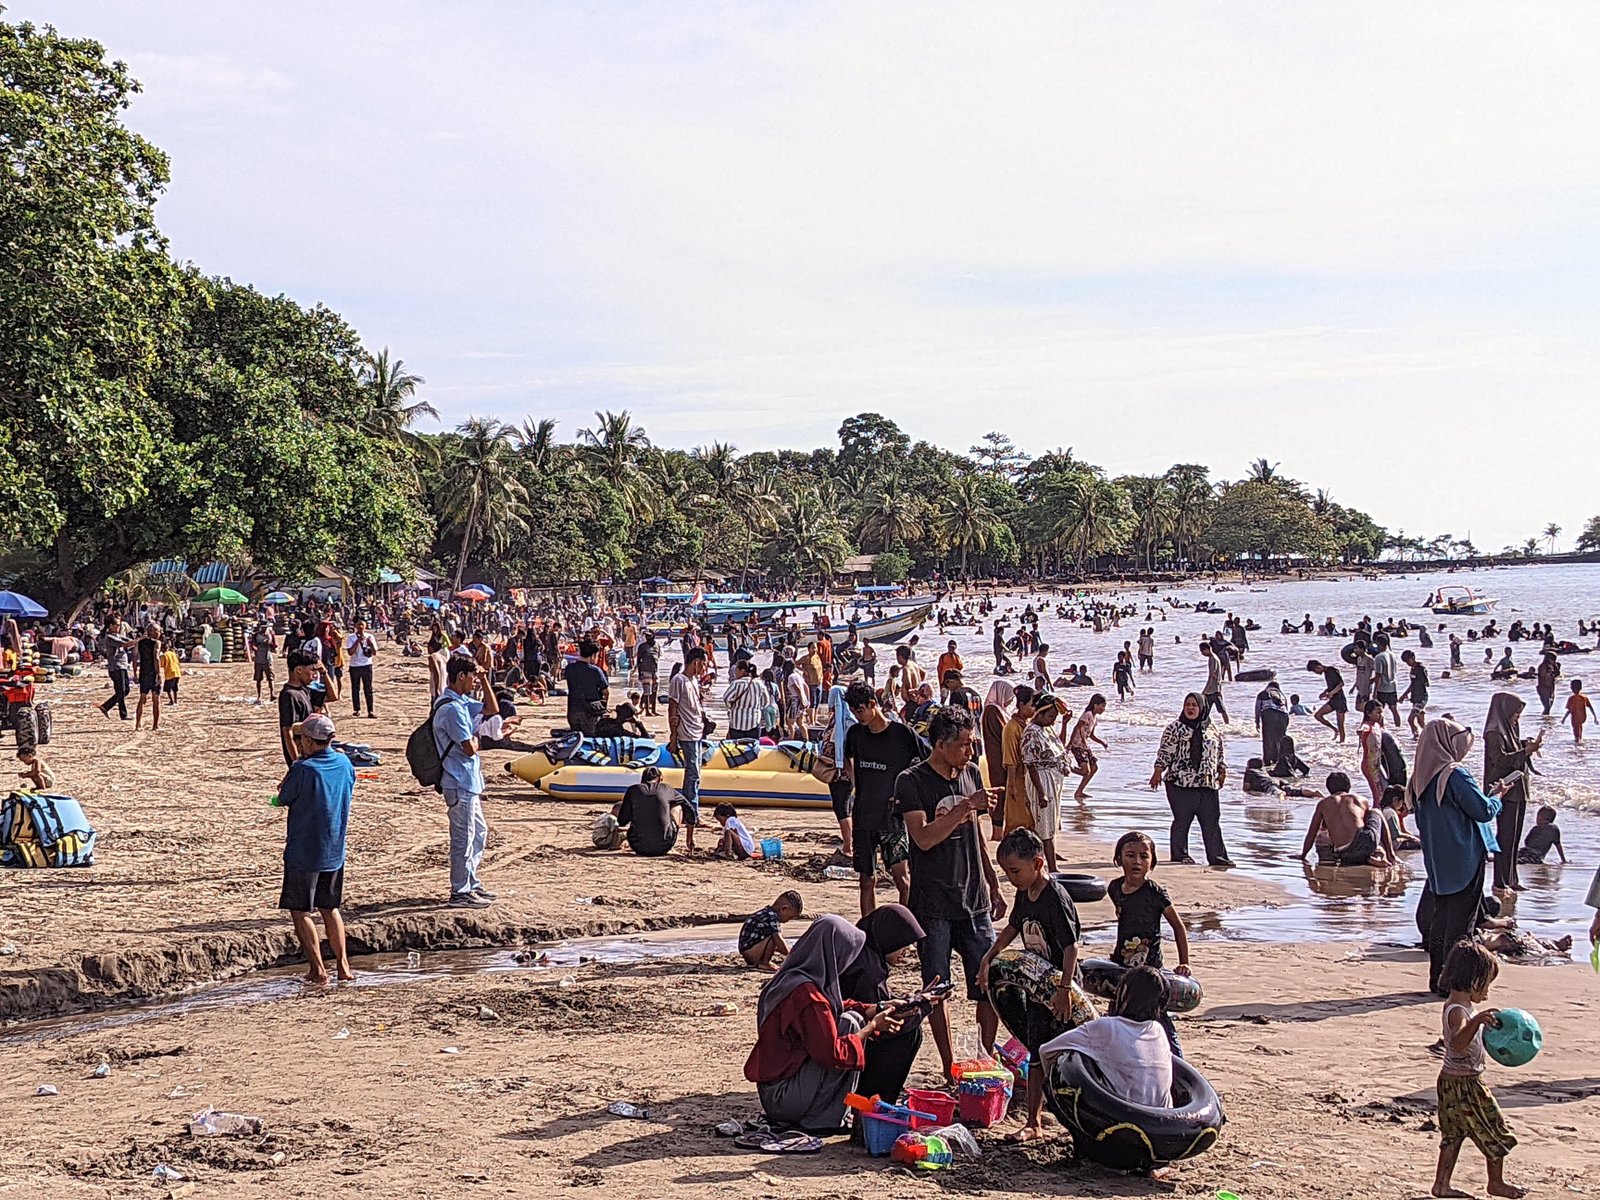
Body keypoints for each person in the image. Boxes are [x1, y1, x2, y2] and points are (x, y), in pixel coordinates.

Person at [893, 704, 1007, 1080]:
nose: (970, 752)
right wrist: (965, 807)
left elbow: (975, 835)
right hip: (933, 903)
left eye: (972, 744)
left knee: (988, 983)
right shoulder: (911, 781)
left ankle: (984, 1057)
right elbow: (923, 839)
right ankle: (948, 1067)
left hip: (973, 899)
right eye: (963, 745)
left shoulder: (972, 773)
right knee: (936, 988)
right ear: (940, 745)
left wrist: (992, 882)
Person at [742, 915, 902, 1134]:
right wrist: (872, 1027)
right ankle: (823, 1120)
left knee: (851, 1018)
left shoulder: (793, 978)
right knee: (849, 1025)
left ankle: (825, 1114)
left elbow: (833, 1008)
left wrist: (874, 1008)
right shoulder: (807, 995)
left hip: (776, 1089)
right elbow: (833, 1053)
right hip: (783, 1099)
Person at [976, 828, 1083, 1142]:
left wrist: (1064, 991)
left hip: (1062, 987)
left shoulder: (1055, 898)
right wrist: (989, 957)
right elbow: (1013, 926)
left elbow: (1071, 948)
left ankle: (1071, 1117)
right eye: (1006, 872)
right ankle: (1033, 1121)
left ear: (1038, 864)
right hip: (1036, 985)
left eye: (1015, 871)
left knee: (1063, 1052)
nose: (1011, 878)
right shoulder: (1025, 891)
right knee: (1035, 1050)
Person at [1410, 718, 1504, 995]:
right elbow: (1482, 810)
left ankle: (1438, 978)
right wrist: (1497, 797)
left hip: (1438, 858)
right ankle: (1455, 983)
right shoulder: (1454, 774)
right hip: (1464, 855)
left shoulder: (1420, 778)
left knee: (1441, 919)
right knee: (1462, 922)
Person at [1432, 940, 1525, 1200]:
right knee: (1494, 1130)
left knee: (1454, 1135)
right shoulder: (1457, 1011)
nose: (1487, 991)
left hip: (1454, 1082)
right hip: (1465, 1086)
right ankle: (1495, 1182)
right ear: (1473, 980)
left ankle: (1442, 1185)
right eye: (1486, 984)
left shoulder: (1463, 1009)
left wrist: (1483, 1024)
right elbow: (1459, 1043)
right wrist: (1476, 1021)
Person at [275, 713, 355, 984]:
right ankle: (343, 968)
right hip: (334, 848)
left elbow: (283, 797)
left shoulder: (304, 769)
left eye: (301, 739)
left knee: (300, 910)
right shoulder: (344, 763)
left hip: (304, 851)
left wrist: (295, 766)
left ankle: (318, 970)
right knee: (330, 908)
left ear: (309, 740)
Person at [839, 904, 935, 1108]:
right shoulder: (868, 970)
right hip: (848, 1045)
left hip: (847, 1039)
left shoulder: (865, 953)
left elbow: (880, 1003)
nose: (906, 952)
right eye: (903, 944)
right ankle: (871, 1099)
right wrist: (924, 1006)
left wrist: (916, 1000)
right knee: (910, 1034)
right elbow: (886, 1024)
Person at [1042, 966, 1174, 1109]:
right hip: (1163, 1119)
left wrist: (1053, 1093)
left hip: (1123, 1119)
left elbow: (1046, 1050)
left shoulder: (1107, 1027)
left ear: (1123, 992)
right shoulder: (1158, 1030)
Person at [1106, 831, 1190, 1053]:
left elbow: (1179, 928)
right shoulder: (1114, 888)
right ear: (1119, 859)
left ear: (1152, 862)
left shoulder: (1155, 893)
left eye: (1144, 856)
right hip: (1123, 964)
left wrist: (1184, 963)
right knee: (1117, 1012)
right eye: (1130, 855)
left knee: (1158, 1016)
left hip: (1151, 969)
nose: (1137, 861)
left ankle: (1177, 1060)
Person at [841, 682, 920, 916]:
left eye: (861, 710)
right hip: (864, 816)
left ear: (873, 705)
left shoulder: (901, 734)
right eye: (854, 712)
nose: (858, 716)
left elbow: (925, 760)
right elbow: (846, 759)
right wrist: (856, 783)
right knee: (866, 879)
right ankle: (868, 928)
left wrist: (907, 793)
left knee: (902, 879)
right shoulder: (855, 733)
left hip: (893, 819)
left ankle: (905, 930)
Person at [1148, 693, 1233, 867]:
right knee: (1182, 819)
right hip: (1180, 783)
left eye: (1194, 705)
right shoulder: (1175, 728)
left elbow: (1219, 753)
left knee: (1212, 821)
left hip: (1207, 783)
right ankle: (1180, 855)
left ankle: (1218, 857)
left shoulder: (1212, 729)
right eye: (1187, 705)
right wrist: (1158, 771)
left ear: (1201, 707)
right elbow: (1165, 752)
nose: (1191, 708)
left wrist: (1222, 770)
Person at [434, 656, 493, 907]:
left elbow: (492, 709)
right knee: (463, 838)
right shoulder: (452, 708)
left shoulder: (460, 702)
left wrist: (482, 678)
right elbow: (469, 747)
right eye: (470, 677)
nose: (473, 683)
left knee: (478, 833)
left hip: (468, 781)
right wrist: (479, 739)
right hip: (458, 781)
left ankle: (471, 882)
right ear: (460, 677)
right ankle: (460, 890)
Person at [1482, 693, 1540, 894]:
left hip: (1518, 789)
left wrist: (1526, 745)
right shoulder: (1494, 732)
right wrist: (1525, 752)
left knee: (1514, 837)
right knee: (1505, 837)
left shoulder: (1510, 728)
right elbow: (1499, 760)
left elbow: (1513, 750)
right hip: (1504, 790)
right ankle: (1500, 881)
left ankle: (1511, 878)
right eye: (1516, 713)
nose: (1517, 717)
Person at [1298, 771, 1393, 867]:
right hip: (1365, 842)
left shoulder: (1323, 804)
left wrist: (1303, 855)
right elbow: (1365, 826)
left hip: (1344, 853)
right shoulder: (1361, 800)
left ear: (1329, 789)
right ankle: (1390, 856)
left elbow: (1312, 834)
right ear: (1349, 786)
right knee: (1376, 812)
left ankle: (1367, 858)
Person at [1020, 693, 1069, 870]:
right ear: (1039, 714)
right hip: (1041, 780)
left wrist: (1064, 723)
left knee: (1051, 823)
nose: (1052, 720)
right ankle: (1053, 867)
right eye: (1050, 717)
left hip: (1052, 779)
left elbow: (1060, 747)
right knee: (1045, 824)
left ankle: (1047, 860)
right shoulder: (1031, 732)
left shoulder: (1046, 729)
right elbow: (1030, 765)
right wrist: (1041, 793)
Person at [667, 647, 707, 853]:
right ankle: (691, 814)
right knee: (692, 775)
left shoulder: (694, 681)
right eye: (703, 663)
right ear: (695, 662)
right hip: (687, 734)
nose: (704, 667)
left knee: (696, 775)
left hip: (697, 732)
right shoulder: (679, 681)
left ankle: (693, 813)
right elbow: (672, 708)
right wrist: (673, 736)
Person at [613, 766, 682, 857]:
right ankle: (669, 840)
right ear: (660, 779)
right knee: (677, 807)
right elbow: (689, 808)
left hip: (638, 845)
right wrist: (690, 836)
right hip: (665, 845)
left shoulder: (633, 790)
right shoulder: (666, 789)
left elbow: (622, 820)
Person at [999, 683, 1036, 840]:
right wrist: (1012, 785)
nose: (1034, 709)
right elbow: (1010, 759)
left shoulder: (1028, 725)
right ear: (1021, 705)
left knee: (1031, 816)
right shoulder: (1011, 728)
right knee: (1017, 817)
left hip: (1029, 778)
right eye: (1031, 705)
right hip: (1018, 778)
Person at [278, 650, 324, 767]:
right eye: (312, 670)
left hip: (310, 755)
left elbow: (333, 696)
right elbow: (288, 732)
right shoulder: (290, 695)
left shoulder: (304, 689)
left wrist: (324, 673)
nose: (314, 675)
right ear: (299, 670)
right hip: (302, 757)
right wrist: (295, 764)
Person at [979, 679, 1015, 829]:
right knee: (1000, 791)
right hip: (998, 758)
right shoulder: (992, 711)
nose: (1010, 700)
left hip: (1001, 756)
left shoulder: (998, 710)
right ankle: (997, 829)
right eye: (1009, 696)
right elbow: (1004, 733)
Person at [739, 889, 803, 970]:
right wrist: (792, 955)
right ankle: (765, 962)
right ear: (784, 909)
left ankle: (763, 961)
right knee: (774, 936)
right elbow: (778, 940)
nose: (788, 921)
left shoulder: (767, 913)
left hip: (748, 951)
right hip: (751, 952)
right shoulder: (772, 917)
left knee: (774, 936)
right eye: (790, 917)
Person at [564, 639, 610, 737]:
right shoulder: (595, 671)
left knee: (576, 739)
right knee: (591, 739)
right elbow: (606, 692)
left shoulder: (569, 669)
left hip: (573, 710)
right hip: (590, 712)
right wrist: (604, 707)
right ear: (593, 656)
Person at [1067, 694, 1108, 802]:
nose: (1103, 709)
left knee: (1094, 768)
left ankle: (1079, 791)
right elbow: (1077, 727)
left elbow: (1091, 735)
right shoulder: (1087, 714)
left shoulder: (1094, 718)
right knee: (1085, 771)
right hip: (1077, 745)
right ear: (1095, 705)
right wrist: (1070, 743)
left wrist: (1101, 742)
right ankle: (1067, 767)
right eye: (1102, 706)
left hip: (1085, 746)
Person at [723, 660, 768, 741]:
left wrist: (731, 707)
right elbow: (766, 702)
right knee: (752, 749)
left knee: (736, 750)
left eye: (736, 670)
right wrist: (757, 707)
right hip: (754, 723)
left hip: (736, 724)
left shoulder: (736, 684)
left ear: (742, 671)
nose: (735, 673)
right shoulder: (758, 684)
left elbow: (726, 698)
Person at [131, 623, 162, 732]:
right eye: (158, 631)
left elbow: (134, 657)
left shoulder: (140, 643)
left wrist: (135, 673)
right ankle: (155, 725)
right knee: (156, 699)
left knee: (142, 698)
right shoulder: (157, 643)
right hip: (153, 673)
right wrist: (158, 674)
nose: (160, 633)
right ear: (152, 632)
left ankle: (138, 724)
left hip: (143, 673)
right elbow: (156, 657)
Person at [1254, 678, 1290, 767]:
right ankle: (1278, 760)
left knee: (1268, 739)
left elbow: (1258, 708)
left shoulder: (1263, 693)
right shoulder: (1282, 695)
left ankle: (1267, 761)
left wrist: (1257, 721)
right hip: (1283, 716)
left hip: (1269, 714)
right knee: (1280, 739)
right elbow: (1287, 709)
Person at [345, 619, 377, 719]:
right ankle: (357, 709)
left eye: (362, 625)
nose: (361, 627)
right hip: (355, 665)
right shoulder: (351, 637)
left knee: (368, 688)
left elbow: (374, 652)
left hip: (367, 664)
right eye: (359, 625)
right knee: (355, 688)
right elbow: (350, 652)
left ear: (365, 626)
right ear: (355, 626)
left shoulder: (370, 636)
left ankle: (370, 710)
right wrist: (358, 641)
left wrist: (370, 643)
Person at [1400, 649, 1430, 737]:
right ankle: (1426, 736)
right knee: (1421, 721)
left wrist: (1423, 678)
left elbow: (1426, 683)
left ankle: (1416, 735)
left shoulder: (1420, 668)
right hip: (1415, 697)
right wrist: (1404, 695)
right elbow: (1412, 684)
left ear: (1413, 658)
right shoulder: (1412, 669)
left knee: (1410, 719)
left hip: (1421, 698)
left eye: (1408, 660)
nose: (1408, 663)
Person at [1198, 642, 1228, 723]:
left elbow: (1211, 675)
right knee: (1207, 710)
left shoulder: (1212, 659)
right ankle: (1207, 724)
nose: (1202, 654)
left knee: (1221, 709)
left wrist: (1205, 690)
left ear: (1206, 650)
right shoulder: (1216, 657)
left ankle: (1227, 724)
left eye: (1202, 652)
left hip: (1213, 690)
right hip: (1216, 688)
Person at [636, 632, 660, 717]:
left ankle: (653, 709)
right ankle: (647, 711)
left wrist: (656, 670)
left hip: (655, 671)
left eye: (649, 635)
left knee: (654, 690)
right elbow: (638, 660)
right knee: (646, 691)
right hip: (645, 670)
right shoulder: (642, 647)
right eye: (646, 636)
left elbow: (658, 657)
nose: (647, 637)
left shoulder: (657, 645)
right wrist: (639, 672)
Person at [1565, 678, 1595, 743]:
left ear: (1571, 688)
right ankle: (1580, 739)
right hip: (1583, 717)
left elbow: (1569, 710)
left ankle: (1577, 741)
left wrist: (1564, 718)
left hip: (1575, 717)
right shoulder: (1584, 698)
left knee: (1575, 729)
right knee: (1579, 727)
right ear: (1581, 688)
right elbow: (1590, 707)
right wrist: (1594, 717)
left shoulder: (1571, 699)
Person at [1535, 648, 1562, 718]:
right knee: (1547, 706)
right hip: (1543, 688)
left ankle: (1546, 720)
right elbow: (1544, 675)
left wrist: (1557, 669)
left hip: (1551, 688)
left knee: (1549, 707)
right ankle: (1544, 719)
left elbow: (1557, 676)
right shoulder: (1543, 666)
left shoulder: (1553, 666)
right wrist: (1551, 673)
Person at [159, 641, 182, 706]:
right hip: (177, 672)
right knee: (175, 688)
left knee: (168, 689)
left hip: (170, 673)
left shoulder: (164, 655)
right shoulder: (173, 653)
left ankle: (171, 701)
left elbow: (162, 664)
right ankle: (176, 701)